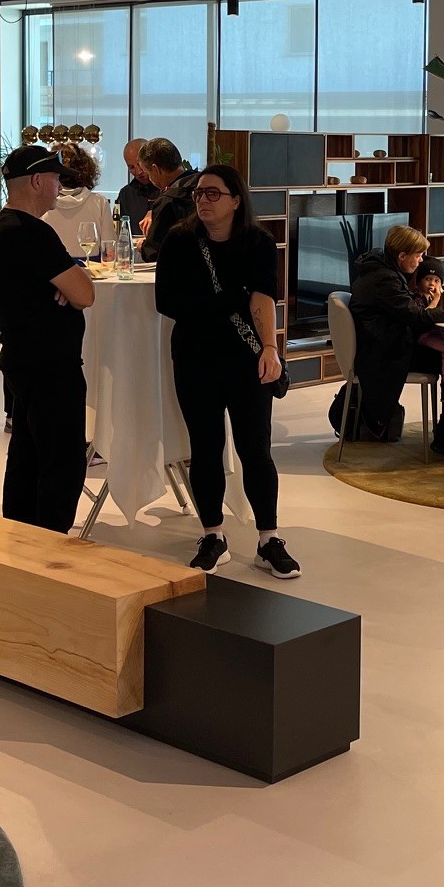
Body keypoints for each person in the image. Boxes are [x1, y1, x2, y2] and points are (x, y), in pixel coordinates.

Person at [153, 165, 301, 577]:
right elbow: (167, 301)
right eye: (199, 193)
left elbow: (263, 298)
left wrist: (270, 348)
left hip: (244, 358)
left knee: (256, 449)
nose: (203, 200)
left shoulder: (258, 242)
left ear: (236, 200)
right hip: (194, 357)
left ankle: (269, 539)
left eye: (213, 193)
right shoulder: (180, 240)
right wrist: (230, 299)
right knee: (205, 448)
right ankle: (212, 534)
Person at [0, 147, 97, 531]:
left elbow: (73, 288)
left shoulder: (5, 227)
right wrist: (71, 283)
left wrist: (68, 283)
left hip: (25, 359)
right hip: (50, 364)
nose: (59, 187)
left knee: (28, 454)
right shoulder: (32, 232)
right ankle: (50, 542)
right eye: (55, 179)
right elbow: (85, 294)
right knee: (61, 461)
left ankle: (21, 536)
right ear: (37, 181)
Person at [338, 227, 444, 457]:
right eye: (418, 255)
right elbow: (418, 318)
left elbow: (411, 315)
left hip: (386, 347)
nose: (421, 260)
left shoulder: (381, 271)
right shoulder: (385, 280)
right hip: (386, 355)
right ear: (402, 255)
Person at [41, 142, 111, 254]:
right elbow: (110, 248)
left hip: (52, 265)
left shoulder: (42, 203)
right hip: (91, 265)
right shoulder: (99, 202)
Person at [135, 137, 198, 261]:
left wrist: (142, 246)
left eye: (148, 173)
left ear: (156, 169)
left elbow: (154, 252)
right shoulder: (205, 184)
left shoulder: (168, 200)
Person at [116, 137, 158, 231]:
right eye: (131, 167)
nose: (139, 172)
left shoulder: (169, 188)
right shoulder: (125, 194)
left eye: (140, 164)